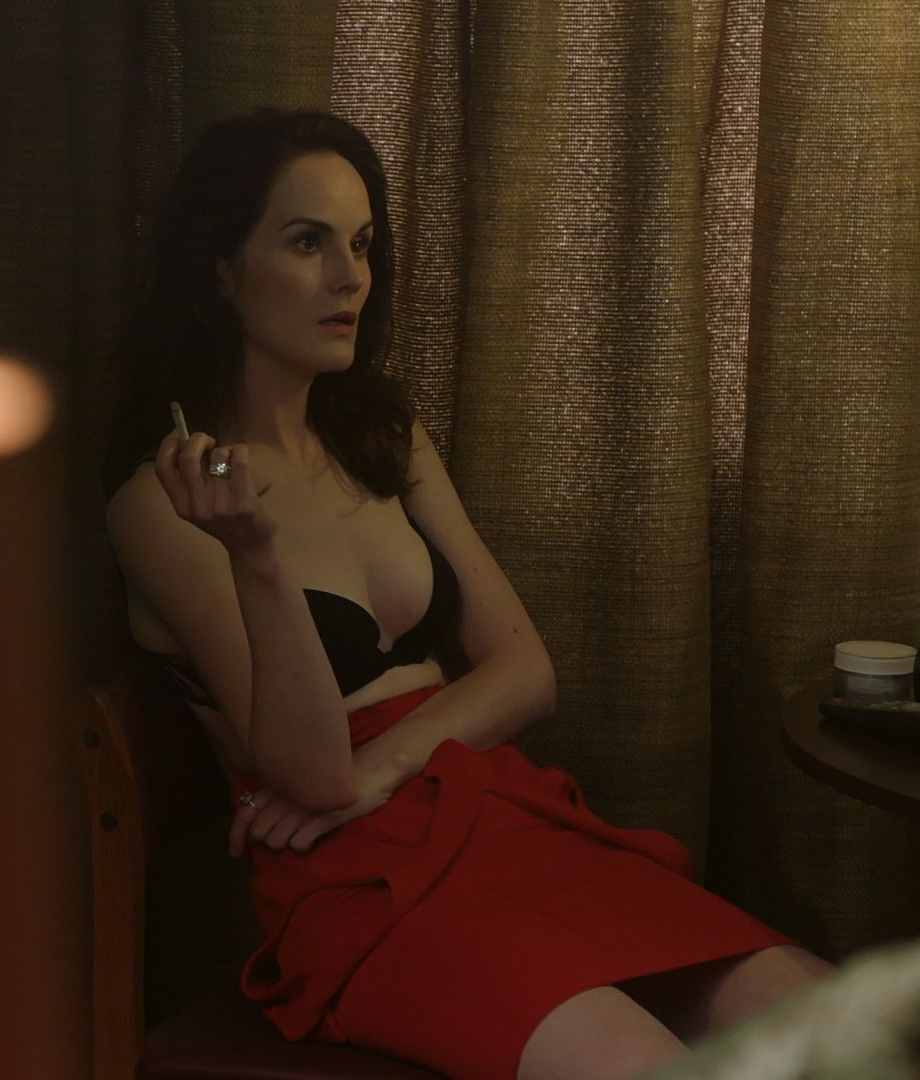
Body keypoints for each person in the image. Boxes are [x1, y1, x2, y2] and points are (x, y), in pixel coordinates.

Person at [104, 108, 831, 1080]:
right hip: (355, 878)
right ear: (221, 269)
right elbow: (314, 780)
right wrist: (258, 557)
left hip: (492, 812)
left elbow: (527, 671)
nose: (349, 277)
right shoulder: (163, 502)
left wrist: (385, 765)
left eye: (362, 244)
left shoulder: (379, 434)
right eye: (308, 242)